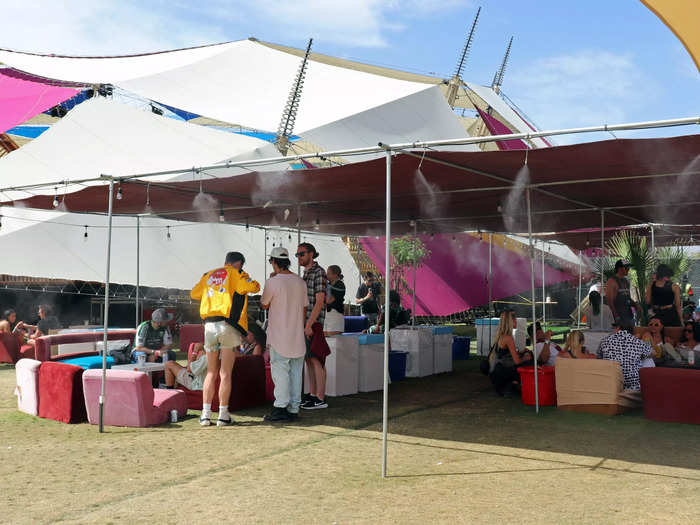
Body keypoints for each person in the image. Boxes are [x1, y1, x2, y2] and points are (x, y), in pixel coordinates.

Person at [191, 251, 260, 427]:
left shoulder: (208, 275)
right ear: (239, 264)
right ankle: (223, 415)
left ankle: (205, 415)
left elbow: (194, 294)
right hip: (227, 326)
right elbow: (254, 287)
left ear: (226, 261)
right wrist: (244, 276)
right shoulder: (236, 273)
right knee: (225, 372)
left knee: (211, 372)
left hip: (209, 326)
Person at [261, 247, 309, 422]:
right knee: (296, 373)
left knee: (280, 373)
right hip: (297, 335)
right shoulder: (300, 282)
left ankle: (280, 407)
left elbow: (264, 304)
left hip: (279, 335)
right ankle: (294, 408)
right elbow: (305, 308)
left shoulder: (272, 282)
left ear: (274, 262)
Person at [296, 242, 329, 410]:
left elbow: (320, 301)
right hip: (306, 323)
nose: (299, 257)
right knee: (309, 359)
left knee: (316, 360)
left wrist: (309, 324)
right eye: (298, 255)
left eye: (301, 254)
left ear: (311, 254)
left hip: (313, 323)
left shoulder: (319, 273)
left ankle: (320, 397)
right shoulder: (306, 274)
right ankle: (313, 394)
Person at [597, 322, 654, 391]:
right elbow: (653, 353)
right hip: (633, 386)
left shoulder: (605, 340)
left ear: (618, 328)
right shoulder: (637, 342)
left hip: (611, 382)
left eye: (614, 328)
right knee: (648, 359)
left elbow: (599, 357)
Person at [488, 310, 532, 396]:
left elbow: (505, 355)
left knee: (524, 357)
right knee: (528, 362)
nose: (516, 321)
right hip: (500, 375)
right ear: (510, 322)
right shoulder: (508, 338)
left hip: (496, 374)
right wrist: (526, 357)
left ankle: (512, 385)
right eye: (515, 319)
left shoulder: (501, 335)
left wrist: (520, 352)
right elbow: (517, 361)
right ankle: (512, 386)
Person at [605, 259, 637, 327]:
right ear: (619, 269)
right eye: (626, 267)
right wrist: (616, 316)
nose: (628, 269)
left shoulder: (626, 281)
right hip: (618, 318)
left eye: (629, 267)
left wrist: (636, 305)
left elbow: (628, 298)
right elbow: (609, 301)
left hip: (629, 316)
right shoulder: (611, 281)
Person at [324, 265, 346, 336]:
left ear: (335, 275)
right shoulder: (328, 285)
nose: (327, 275)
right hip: (327, 314)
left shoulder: (340, 285)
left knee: (333, 339)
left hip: (336, 314)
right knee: (325, 336)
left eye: (328, 273)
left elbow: (328, 300)